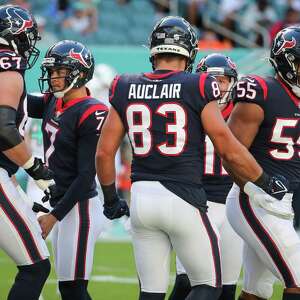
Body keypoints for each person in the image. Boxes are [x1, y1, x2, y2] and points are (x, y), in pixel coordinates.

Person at [96, 16, 290, 300]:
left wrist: (111, 199)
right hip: (183, 196)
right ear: (189, 51)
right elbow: (226, 145)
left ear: (153, 49)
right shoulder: (196, 85)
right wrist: (263, 179)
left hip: (140, 198)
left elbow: (104, 152)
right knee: (209, 285)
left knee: (150, 293)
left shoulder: (124, 85)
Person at [26, 40, 108, 300]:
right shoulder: (53, 101)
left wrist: (54, 216)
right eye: (51, 72)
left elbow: (86, 177)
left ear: (80, 73)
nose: (54, 77)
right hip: (60, 204)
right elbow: (17, 101)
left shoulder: (92, 111)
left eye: (60, 72)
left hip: (79, 206)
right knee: (67, 288)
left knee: (73, 289)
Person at [226, 26, 300, 300]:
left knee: (256, 291)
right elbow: (231, 150)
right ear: (286, 60)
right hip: (257, 201)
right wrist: (259, 187)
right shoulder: (261, 89)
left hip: (284, 202)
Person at [169, 53, 242, 300]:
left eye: (222, 80)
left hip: (233, 204)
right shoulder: (186, 112)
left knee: (227, 289)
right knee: (187, 283)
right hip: (196, 202)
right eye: (212, 80)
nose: (218, 86)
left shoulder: (244, 113)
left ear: (232, 83)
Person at [0, 4, 56, 300]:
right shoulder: (7, 63)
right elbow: (4, 130)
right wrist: (39, 172)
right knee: (36, 266)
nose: (28, 45)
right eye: (26, 38)